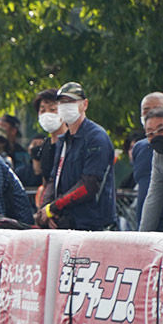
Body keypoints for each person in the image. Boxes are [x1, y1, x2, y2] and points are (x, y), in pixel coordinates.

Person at [34, 82, 116, 231]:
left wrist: (54, 207)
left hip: (92, 226)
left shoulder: (96, 137)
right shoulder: (63, 140)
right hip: (65, 224)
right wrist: (46, 211)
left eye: (71, 101)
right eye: (62, 102)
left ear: (84, 104)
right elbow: (53, 179)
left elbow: (89, 185)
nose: (65, 106)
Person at [131, 92, 163, 230]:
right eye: (146, 111)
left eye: (157, 110)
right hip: (145, 225)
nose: (151, 115)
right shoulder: (140, 148)